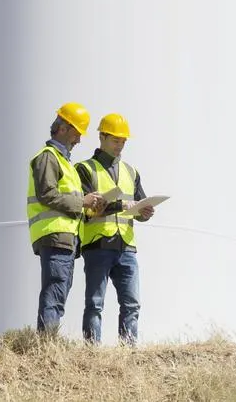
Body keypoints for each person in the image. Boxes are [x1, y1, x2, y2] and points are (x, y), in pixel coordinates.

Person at [27, 101, 105, 336]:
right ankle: (47, 346)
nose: (79, 140)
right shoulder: (48, 157)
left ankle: (49, 344)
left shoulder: (64, 162)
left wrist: (89, 205)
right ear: (64, 128)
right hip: (55, 235)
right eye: (77, 133)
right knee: (54, 293)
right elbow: (47, 195)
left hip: (66, 238)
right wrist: (83, 201)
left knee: (58, 293)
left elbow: (67, 199)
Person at [76, 112, 154, 345]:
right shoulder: (84, 169)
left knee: (131, 304)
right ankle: (91, 350)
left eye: (123, 141)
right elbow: (87, 208)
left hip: (126, 247)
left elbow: (139, 203)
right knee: (95, 303)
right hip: (98, 244)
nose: (120, 146)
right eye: (115, 140)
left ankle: (128, 351)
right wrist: (121, 204)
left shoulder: (131, 172)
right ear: (101, 137)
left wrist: (144, 213)